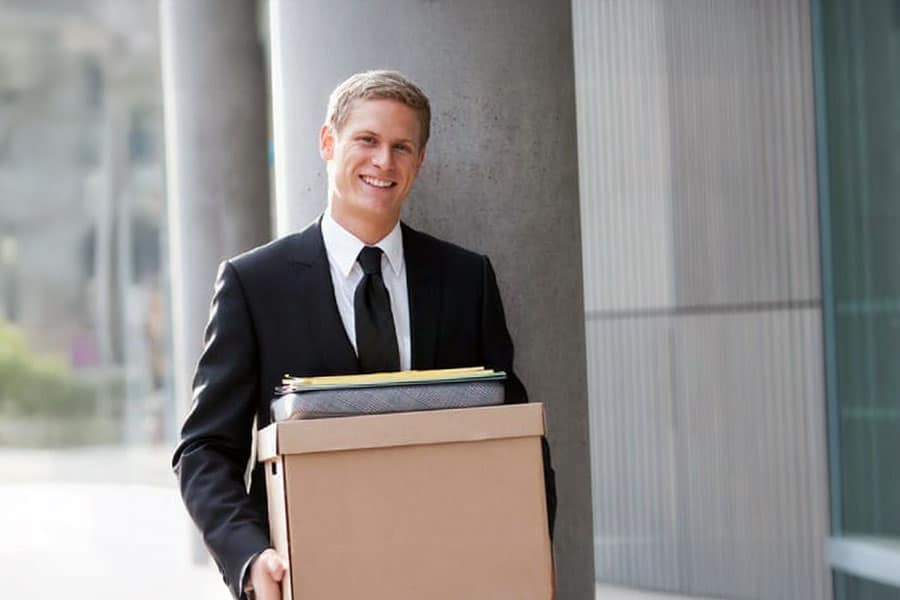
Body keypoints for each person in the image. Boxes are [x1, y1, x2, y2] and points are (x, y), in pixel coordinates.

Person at [172, 70, 556, 600]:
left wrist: (529, 553)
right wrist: (249, 556)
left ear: (419, 162)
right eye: (367, 140)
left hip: (452, 574)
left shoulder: (466, 279)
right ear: (329, 142)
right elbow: (205, 449)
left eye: (402, 147)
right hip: (310, 577)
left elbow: (514, 438)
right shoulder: (254, 284)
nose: (384, 162)